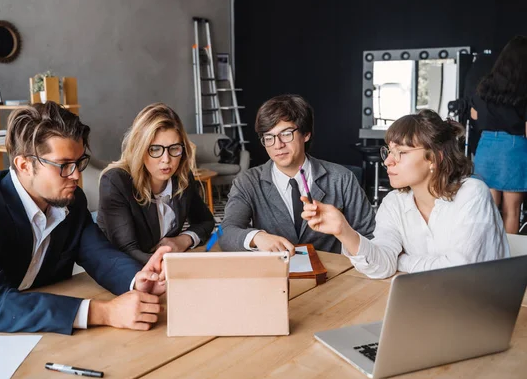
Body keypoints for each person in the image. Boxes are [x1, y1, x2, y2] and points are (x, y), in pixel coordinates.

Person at [0, 101, 169, 334]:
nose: (75, 176)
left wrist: (137, 280)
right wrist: (105, 313)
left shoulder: (72, 201)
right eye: (64, 165)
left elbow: (100, 256)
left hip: (39, 328)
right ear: (24, 165)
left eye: (79, 162)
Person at [302, 110, 510, 279]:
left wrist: (401, 261)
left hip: (482, 310)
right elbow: (382, 267)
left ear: (434, 159)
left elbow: (459, 271)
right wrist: (344, 232)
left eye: (401, 152)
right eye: (389, 152)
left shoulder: (472, 193)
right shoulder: (395, 202)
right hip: (427, 305)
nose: (388, 162)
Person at [220, 94, 375, 254]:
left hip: (332, 275)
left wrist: (344, 232)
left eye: (286, 134)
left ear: (306, 134)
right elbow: (226, 232)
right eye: (269, 137)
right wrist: (257, 237)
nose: (278, 145)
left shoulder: (342, 179)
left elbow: (369, 236)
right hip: (275, 274)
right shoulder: (247, 181)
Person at [97, 103, 214, 265]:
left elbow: (206, 221)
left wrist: (183, 240)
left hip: (161, 268)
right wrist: (169, 267)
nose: (166, 159)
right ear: (140, 149)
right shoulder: (116, 181)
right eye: (155, 149)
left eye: (174, 148)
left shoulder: (182, 177)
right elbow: (127, 249)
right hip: (120, 272)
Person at [471, 35, 527, 234]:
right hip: (514, 148)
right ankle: (508, 262)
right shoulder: (523, 89)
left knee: (488, 210)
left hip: (487, 148)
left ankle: (488, 258)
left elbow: (474, 114)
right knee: (511, 211)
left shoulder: (486, 85)